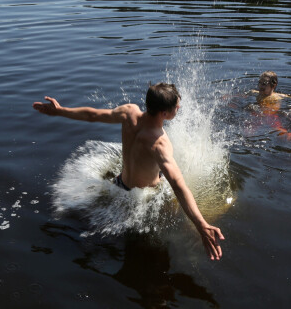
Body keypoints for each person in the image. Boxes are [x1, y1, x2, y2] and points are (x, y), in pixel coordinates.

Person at [33, 83, 225, 260]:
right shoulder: (159, 143)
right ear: (165, 113)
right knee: (169, 238)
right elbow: (178, 184)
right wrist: (201, 224)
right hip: (142, 198)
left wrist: (60, 111)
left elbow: (92, 115)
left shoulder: (128, 112)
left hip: (119, 184)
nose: (179, 108)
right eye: (177, 106)